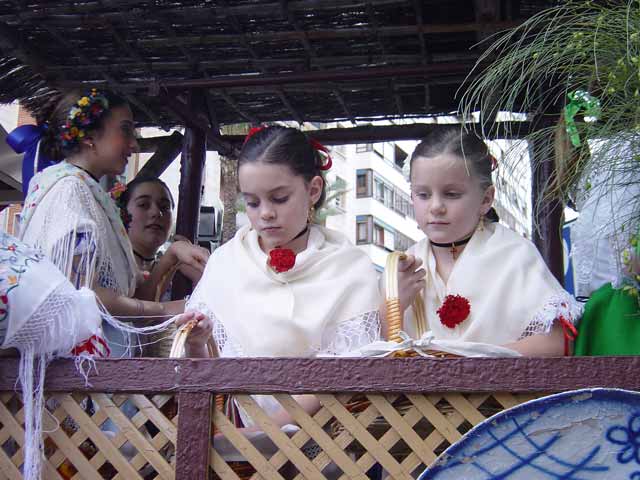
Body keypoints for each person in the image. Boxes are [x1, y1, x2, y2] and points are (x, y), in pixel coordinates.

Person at [180, 125, 381, 427]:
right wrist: (197, 343)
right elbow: (203, 369)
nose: (265, 214)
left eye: (279, 198)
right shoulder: (225, 263)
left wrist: (268, 432)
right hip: (230, 441)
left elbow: (351, 370)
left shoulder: (350, 267)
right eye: (252, 202)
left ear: (313, 190)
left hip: (328, 443)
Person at [18, 89, 210, 354]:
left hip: (98, 374)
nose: (134, 144)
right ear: (89, 137)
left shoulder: (89, 195)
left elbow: (128, 299)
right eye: (126, 130)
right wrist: (166, 308)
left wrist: (171, 256)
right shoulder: (68, 193)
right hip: (78, 373)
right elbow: (80, 294)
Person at [390, 127, 581, 356]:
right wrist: (394, 304)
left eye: (451, 194)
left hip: (508, 390)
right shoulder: (402, 267)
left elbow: (555, 342)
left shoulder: (514, 255)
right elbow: (381, 351)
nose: (435, 207)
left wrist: (469, 363)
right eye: (423, 194)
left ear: (486, 199)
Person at [116, 175, 209, 301]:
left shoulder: (180, 268)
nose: (156, 212)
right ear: (122, 213)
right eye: (143, 205)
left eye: (164, 207)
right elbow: (134, 316)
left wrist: (202, 276)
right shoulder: (112, 265)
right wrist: (171, 257)